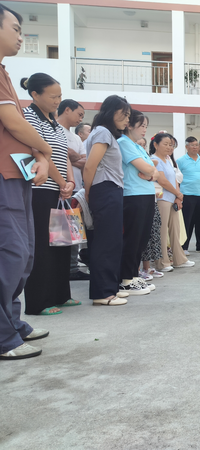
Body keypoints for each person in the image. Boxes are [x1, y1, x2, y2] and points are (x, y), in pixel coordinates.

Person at [0, 4, 53, 360]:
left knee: (24, 254)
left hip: (17, 174)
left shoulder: (4, 73)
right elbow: (14, 123)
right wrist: (45, 150)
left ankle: (13, 323)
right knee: (11, 254)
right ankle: (3, 337)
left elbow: (18, 129)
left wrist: (39, 155)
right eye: (15, 28)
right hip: (4, 176)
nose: (21, 36)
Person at [22, 73, 77, 316]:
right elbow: (40, 152)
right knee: (42, 245)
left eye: (60, 96)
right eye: (53, 96)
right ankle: (39, 302)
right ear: (35, 94)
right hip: (40, 189)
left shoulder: (53, 120)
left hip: (59, 191)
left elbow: (63, 154)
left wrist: (70, 181)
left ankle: (60, 295)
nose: (57, 101)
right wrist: (62, 181)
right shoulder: (28, 116)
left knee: (61, 243)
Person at [83, 95, 131, 306]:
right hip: (105, 190)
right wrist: (88, 191)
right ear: (112, 112)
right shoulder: (102, 132)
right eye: (125, 114)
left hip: (109, 190)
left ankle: (110, 288)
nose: (127, 119)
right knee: (106, 242)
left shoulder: (104, 133)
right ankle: (102, 293)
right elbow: (89, 166)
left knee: (111, 241)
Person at [118, 110, 158, 295]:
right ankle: (126, 279)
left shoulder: (138, 146)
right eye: (141, 125)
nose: (144, 130)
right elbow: (147, 168)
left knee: (141, 238)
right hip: (133, 195)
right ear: (129, 125)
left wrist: (150, 174)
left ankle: (133, 275)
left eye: (146, 126)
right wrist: (150, 173)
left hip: (146, 194)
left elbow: (154, 171)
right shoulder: (123, 143)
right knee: (133, 238)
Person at [150, 132, 194, 270]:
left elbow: (174, 179)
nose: (169, 147)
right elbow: (162, 181)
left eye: (171, 145)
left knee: (175, 230)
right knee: (162, 231)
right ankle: (162, 262)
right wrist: (178, 193)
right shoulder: (154, 160)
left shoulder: (168, 160)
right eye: (166, 144)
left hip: (172, 198)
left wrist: (178, 196)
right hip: (162, 198)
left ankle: (179, 259)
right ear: (156, 145)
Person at [57, 99, 90, 282]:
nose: (81, 119)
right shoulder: (54, 130)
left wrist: (71, 156)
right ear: (67, 110)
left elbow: (84, 161)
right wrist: (72, 156)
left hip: (75, 190)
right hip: (61, 189)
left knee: (73, 232)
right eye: (79, 114)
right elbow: (62, 155)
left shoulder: (76, 138)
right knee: (59, 232)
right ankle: (62, 268)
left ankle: (72, 268)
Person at [177, 137, 200, 253]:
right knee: (187, 221)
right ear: (187, 147)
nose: (195, 147)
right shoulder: (180, 161)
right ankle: (184, 247)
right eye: (192, 145)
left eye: (196, 145)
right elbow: (177, 179)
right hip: (187, 194)